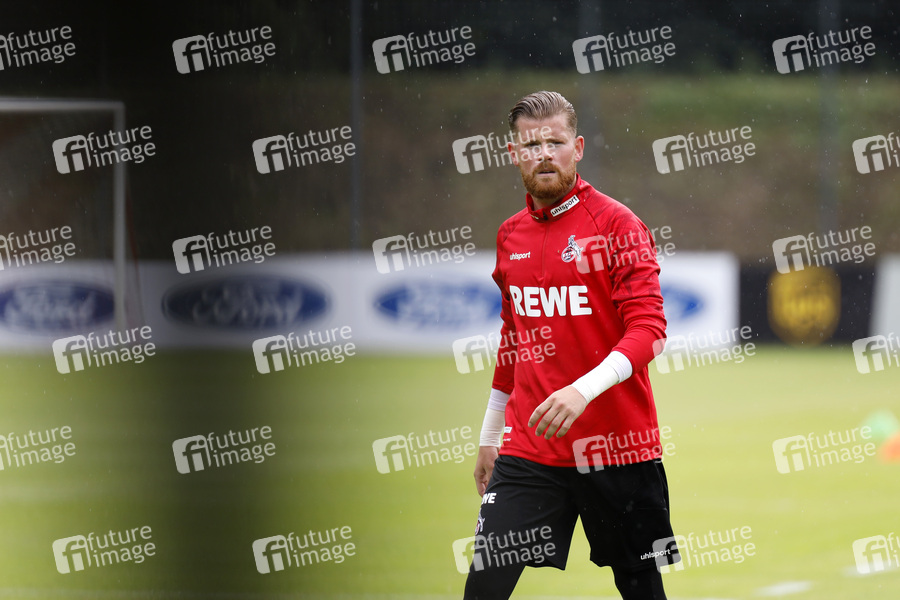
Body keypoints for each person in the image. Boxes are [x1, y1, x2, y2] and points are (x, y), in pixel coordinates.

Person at [463, 91, 676, 600]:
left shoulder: (618, 225)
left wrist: (583, 390)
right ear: (514, 154)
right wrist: (491, 434)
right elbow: (513, 339)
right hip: (530, 451)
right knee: (483, 588)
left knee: (642, 591)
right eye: (531, 145)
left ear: (577, 148)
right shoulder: (510, 235)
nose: (544, 155)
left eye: (555, 143)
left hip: (618, 450)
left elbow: (649, 331)